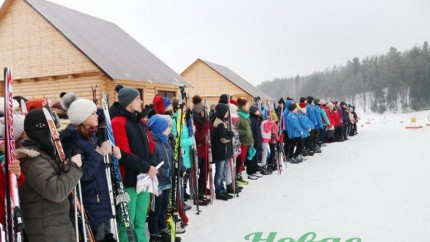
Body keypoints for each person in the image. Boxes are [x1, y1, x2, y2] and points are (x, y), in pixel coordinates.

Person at [60, 95, 121, 242]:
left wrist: (112, 154)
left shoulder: (90, 135)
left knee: (107, 235)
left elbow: (99, 166)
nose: (97, 115)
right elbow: (81, 175)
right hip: (89, 201)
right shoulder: (72, 140)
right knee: (97, 236)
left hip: (101, 197)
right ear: (83, 117)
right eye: (92, 113)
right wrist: (99, 152)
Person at [17, 109, 83, 242]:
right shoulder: (33, 160)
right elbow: (56, 191)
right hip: (49, 232)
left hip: (56, 227)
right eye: (52, 132)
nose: (56, 135)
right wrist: (74, 168)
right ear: (42, 132)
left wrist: (66, 167)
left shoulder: (43, 155)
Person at [110, 86, 158, 242]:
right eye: (137, 98)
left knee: (140, 219)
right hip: (129, 180)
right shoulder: (118, 122)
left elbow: (150, 145)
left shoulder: (141, 122)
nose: (141, 101)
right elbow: (123, 154)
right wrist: (146, 167)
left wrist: (150, 165)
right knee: (127, 222)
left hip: (144, 179)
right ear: (128, 101)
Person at [147, 115, 180, 242]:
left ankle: (162, 230)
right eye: (166, 127)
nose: (169, 129)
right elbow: (152, 161)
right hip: (157, 182)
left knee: (164, 208)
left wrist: (177, 168)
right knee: (156, 209)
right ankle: (154, 235)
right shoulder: (154, 143)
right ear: (159, 128)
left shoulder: (165, 141)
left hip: (167, 181)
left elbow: (170, 159)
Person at [0, 114, 26, 227]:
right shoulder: (5, 155)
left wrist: (18, 175)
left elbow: (7, 182)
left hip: (9, 217)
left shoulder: (9, 155)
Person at [211, 103, 234, 200]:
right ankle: (219, 191)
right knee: (219, 173)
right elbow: (223, 138)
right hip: (220, 151)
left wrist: (229, 133)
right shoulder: (219, 123)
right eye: (225, 112)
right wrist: (231, 135)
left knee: (221, 172)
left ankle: (222, 189)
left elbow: (225, 134)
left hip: (222, 151)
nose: (226, 114)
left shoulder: (220, 121)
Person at [235, 98, 253, 185]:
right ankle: (237, 175)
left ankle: (239, 174)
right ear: (243, 106)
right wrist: (245, 132)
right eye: (247, 105)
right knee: (240, 159)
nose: (248, 107)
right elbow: (235, 129)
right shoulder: (239, 116)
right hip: (242, 141)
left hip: (246, 141)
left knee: (243, 159)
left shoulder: (246, 116)